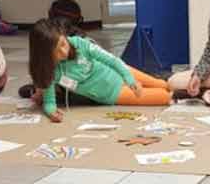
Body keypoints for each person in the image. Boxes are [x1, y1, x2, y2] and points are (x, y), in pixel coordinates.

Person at [29, 19, 171, 123]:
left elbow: (112, 60)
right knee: (164, 98)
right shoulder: (49, 70)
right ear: (45, 55)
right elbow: (49, 102)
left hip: (120, 71)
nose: (64, 51)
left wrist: (129, 78)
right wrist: (51, 112)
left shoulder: (79, 43)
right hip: (111, 93)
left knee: (162, 84)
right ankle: (184, 94)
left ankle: (187, 89)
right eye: (56, 51)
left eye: (63, 44)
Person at [17, 0, 96, 106]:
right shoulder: (85, 38)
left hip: (77, 90)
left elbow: (44, 71)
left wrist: (40, 91)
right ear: (78, 20)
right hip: (95, 88)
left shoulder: (48, 39)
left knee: (28, 89)